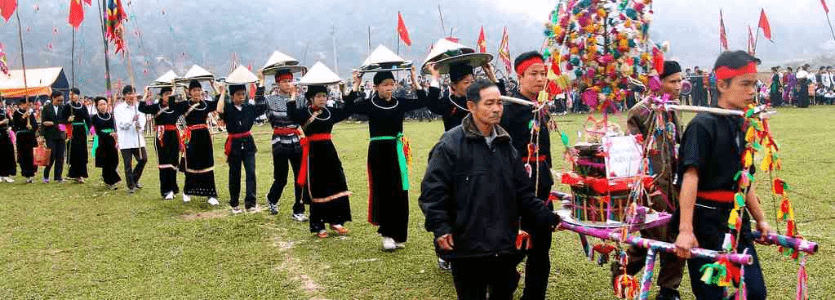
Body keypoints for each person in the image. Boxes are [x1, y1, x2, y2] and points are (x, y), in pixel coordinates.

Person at [419, 79, 559, 300]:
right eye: (489, 103)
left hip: (503, 246)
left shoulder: (506, 144)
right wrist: (440, 227)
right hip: (467, 246)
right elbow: (433, 191)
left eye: (499, 103)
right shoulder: (450, 144)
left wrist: (549, 217)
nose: (496, 109)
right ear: (472, 106)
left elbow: (523, 193)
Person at [673, 51, 772, 300]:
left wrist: (760, 219)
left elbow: (744, 179)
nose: (752, 91)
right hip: (705, 221)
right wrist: (685, 230)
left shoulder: (744, 123)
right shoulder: (702, 125)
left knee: (755, 293)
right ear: (722, 85)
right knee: (711, 294)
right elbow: (690, 178)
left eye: (754, 84)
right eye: (745, 84)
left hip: (737, 221)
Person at [620, 61, 685, 300]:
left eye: (680, 80)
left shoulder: (674, 108)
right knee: (650, 237)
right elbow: (631, 149)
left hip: (675, 185)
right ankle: (624, 269)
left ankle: (669, 290)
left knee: (677, 235)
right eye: (673, 81)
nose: (679, 86)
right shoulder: (639, 111)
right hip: (650, 187)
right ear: (658, 83)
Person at [346, 67, 426, 251]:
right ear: (376, 87)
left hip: (398, 150)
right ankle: (387, 234)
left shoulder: (400, 103)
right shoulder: (370, 104)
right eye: (385, 85)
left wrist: (414, 80)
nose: (389, 88)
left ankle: (398, 234)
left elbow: (424, 101)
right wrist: (356, 83)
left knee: (400, 191)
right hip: (378, 151)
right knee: (383, 191)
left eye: (392, 84)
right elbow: (348, 107)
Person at [499, 51, 554, 300]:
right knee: (512, 249)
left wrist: (549, 178)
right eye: (534, 74)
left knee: (541, 249)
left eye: (543, 74)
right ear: (520, 76)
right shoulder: (508, 111)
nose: (540, 79)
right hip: (515, 189)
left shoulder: (540, 107)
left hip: (541, 186)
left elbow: (546, 149)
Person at [287, 84, 352, 238]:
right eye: (319, 96)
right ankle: (318, 225)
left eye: (324, 96)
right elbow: (291, 113)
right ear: (311, 98)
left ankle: (337, 221)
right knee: (318, 187)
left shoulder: (330, 112)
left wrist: (343, 90)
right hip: (313, 154)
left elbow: (348, 110)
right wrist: (293, 94)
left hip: (330, 152)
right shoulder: (304, 113)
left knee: (337, 183)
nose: (322, 99)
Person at [258, 69, 306, 219]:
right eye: (284, 81)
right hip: (279, 140)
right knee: (281, 177)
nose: (288, 84)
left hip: (296, 140)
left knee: (300, 177)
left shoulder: (299, 99)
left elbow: (310, 102)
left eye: (289, 81)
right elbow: (258, 103)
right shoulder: (271, 99)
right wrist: (261, 81)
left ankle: (298, 210)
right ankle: (272, 198)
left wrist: (308, 77)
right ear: (278, 84)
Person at [217, 83, 268, 214]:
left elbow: (261, 106)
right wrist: (222, 93)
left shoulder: (249, 108)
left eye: (243, 94)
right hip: (234, 143)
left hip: (248, 143)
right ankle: (234, 204)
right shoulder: (228, 108)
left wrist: (260, 85)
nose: (241, 97)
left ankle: (250, 203)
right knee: (235, 174)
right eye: (238, 94)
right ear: (232, 95)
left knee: (251, 172)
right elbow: (219, 110)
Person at [176, 80, 220, 205]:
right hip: (191, 137)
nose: (197, 92)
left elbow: (218, 101)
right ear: (189, 92)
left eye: (199, 90)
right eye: (194, 90)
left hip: (204, 137)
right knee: (192, 164)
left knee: (207, 164)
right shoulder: (184, 105)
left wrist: (214, 86)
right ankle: (187, 192)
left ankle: (211, 195)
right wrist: (174, 88)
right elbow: (171, 105)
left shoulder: (205, 104)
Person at [139, 86, 182, 200]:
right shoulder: (156, 107)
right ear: (161, 96)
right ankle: (166, 190)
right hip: (161, 136)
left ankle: (173, 188)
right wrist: (145, 94)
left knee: (173, 163)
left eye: (170, 93)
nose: (168, 96)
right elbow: (141, 107)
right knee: (164, 163)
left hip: (173, 135)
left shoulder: (176, 107)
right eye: (166, 94)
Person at [114, 85, 148, 194]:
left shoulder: (139, 107)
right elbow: (121, 124)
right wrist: (131, 120)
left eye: (133, 93)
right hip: (126, 140)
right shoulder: (119, 108)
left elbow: (143, 121)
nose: (131, 96)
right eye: (128, 94)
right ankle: (131, 186)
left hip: (137, 139)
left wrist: (140, 126)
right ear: (124, 96)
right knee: (128, 164)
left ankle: (134, 179)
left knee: (143, 159)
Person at [90, 97, 121, 189]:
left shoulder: (111, 116)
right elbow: (92, 128)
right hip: (102, 140)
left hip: (111, 139)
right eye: (101, 104)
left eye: (104, 104)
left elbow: (115, 127)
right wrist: (95, 134)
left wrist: (116, 133)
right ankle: (109, 181)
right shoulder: (95, 117)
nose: (103, 106)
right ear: (97, 107)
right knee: (106, 161)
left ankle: (108, 177)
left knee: (114, 160)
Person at [62, 88, 92, 183]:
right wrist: (68, 121)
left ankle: (81, 174)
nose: (71, 96)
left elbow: (88, 119)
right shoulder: (67, 106)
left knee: (82, 152)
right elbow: (61, 121)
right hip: (71, 131)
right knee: (73, 152)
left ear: (78, 95)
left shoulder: (83, 107)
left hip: (81, 131)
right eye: (70, 94)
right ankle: (73, 173)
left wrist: (93, 131)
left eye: (73, 94)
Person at [40, 91, 67, 183]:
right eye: (58, 100)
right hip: (50, 135)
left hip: (61, 135)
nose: (60, 102)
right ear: (53, 98)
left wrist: (63, 128)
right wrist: (41, 136)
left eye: (62, 100)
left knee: (60, 156)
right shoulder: (46, 108)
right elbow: (44, 122)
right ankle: (46, 175)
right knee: (52, 155)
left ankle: (58, 177)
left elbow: (63, 122)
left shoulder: (63, 108)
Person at [12, 98, 38, 183]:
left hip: (30, 137)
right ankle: (26, 174)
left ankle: (31, 175)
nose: (28, 105)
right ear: (21, 104)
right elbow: (15, 126)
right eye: (26, 104)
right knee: (23, 156)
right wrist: (23, 118)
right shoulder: (16, 113)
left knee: (31, 156)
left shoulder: (31, 114)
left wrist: (32, 127)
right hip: (22, 138)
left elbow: (35, 125)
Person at [0, 100, 16, 182]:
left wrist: (9, 128)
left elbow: (11, 123)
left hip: (5, 135)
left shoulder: (4, 112)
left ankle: (6, 174)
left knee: (7, 153)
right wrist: (1, 122)